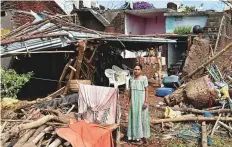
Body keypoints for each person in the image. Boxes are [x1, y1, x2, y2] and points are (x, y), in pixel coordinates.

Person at [127, 63, 150, 145]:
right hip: (134, 101)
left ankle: (144, 138)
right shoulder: (131, 79)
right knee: (135, 118)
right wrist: (128, 100)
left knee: (143, 118)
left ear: (141, 70)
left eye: (138, 69)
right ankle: (137, 137)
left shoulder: (144, 78)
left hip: (141, 101)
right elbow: (130, 90)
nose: (136, 71)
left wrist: (146, 101)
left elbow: (147, 90)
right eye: (135, 69)